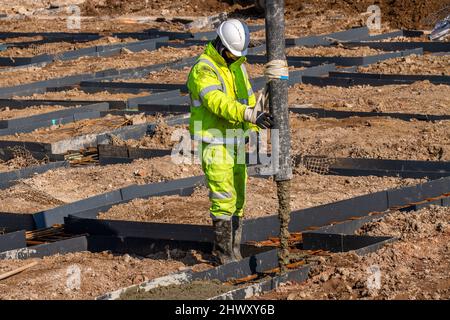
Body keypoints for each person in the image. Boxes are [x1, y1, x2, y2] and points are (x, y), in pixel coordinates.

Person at [186, 19, 274, 264]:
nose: (236, 58)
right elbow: (217, 102)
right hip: (215, 143)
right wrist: (248, 114)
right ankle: (224, 255)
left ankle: (235, 251)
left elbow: (244, 98)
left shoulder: (237, 65)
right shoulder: (203, 69)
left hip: (235, 140)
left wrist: (258, 109)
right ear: (221, 45)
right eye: (233, 54)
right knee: (223, 197)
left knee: (238, 199)